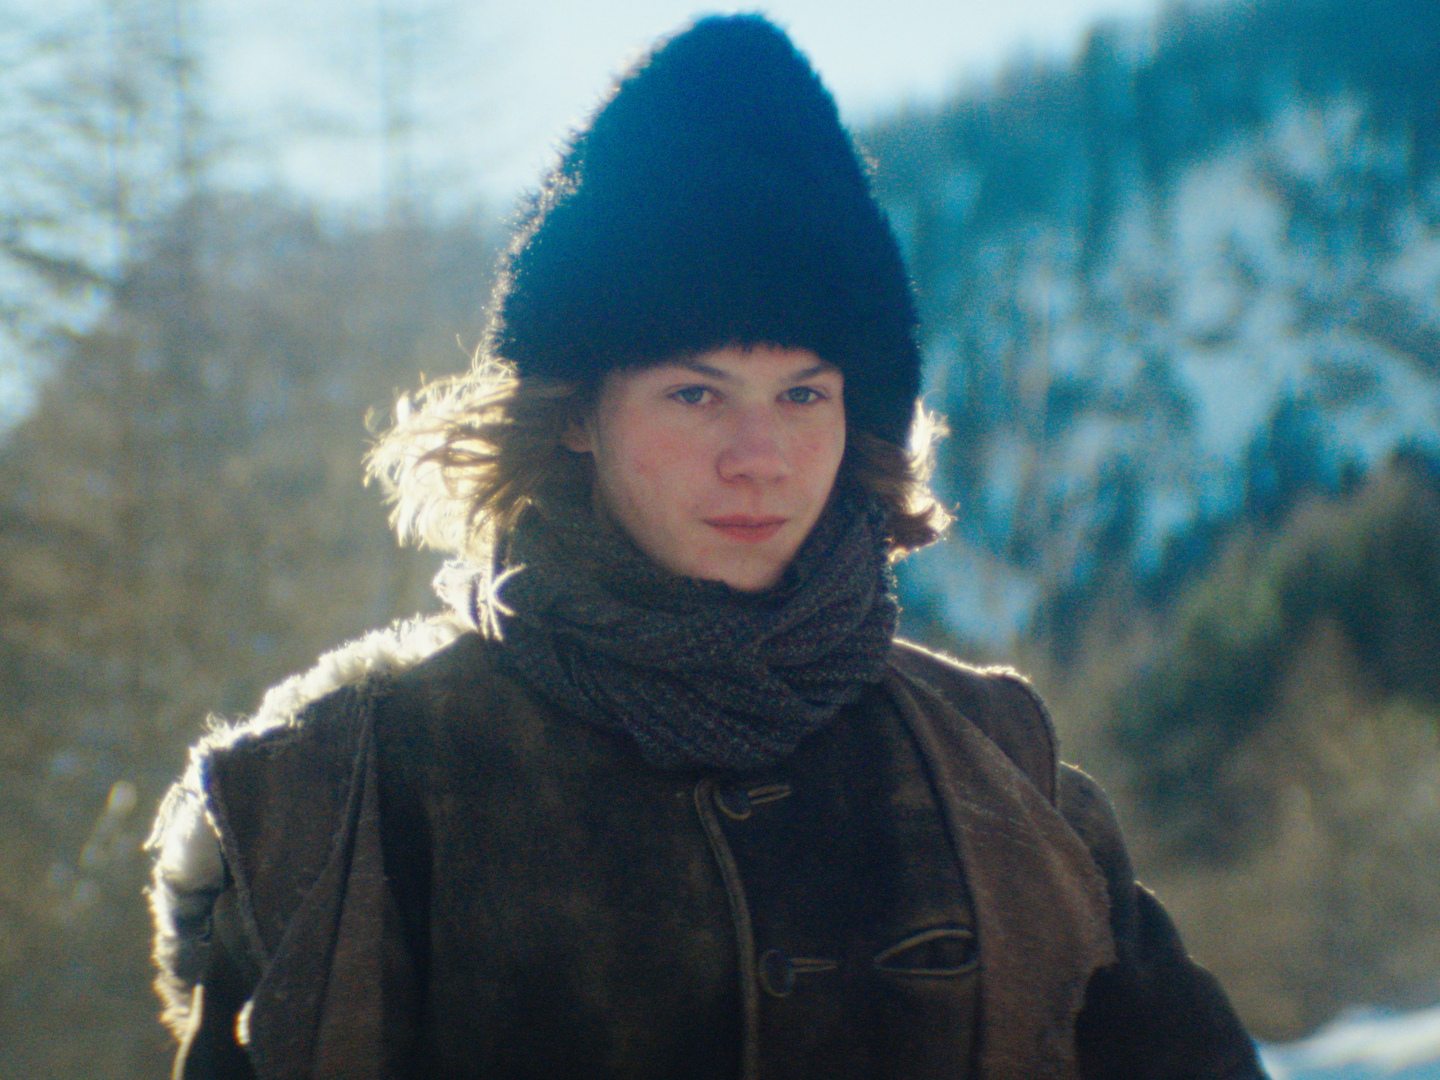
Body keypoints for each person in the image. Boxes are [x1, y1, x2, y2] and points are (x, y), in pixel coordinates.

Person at [147, 14, 1264, 1080]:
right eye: (696, 394)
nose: (759, 457)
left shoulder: (998, 762)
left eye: (803, 394)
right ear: (577, 415)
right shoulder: (355, 783)